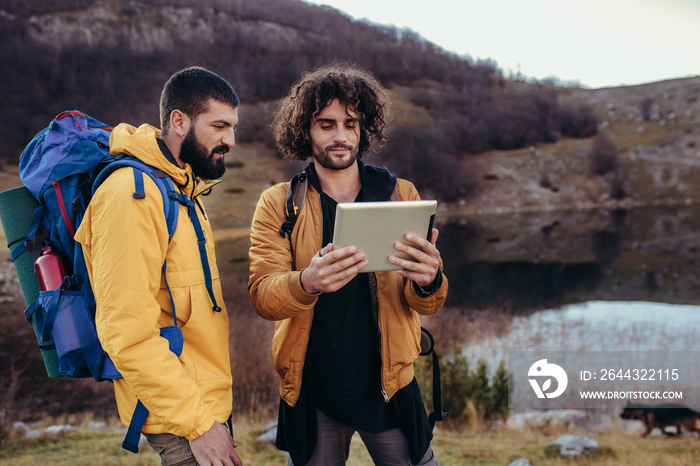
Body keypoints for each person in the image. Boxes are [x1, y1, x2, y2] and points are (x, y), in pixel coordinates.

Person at [248, 63, 448, 466]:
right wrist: (307, 282)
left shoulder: (399, 194)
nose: (341, 136)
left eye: (351, 124)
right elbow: (262, 296)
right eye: (327, 125)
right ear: (305, 130)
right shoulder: (280, 203)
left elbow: (426, 304)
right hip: (313, 390)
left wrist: (430, 281)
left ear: (363, 129)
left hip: (389, 387)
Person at [75, 67, 243, 466]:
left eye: (233, 127)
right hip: (182, 417)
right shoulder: (131, 194)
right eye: (219, 126)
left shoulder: (181, 188)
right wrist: (199, 423)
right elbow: (127, 334)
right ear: (179, 121)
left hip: (205, 399)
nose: (230, 140)